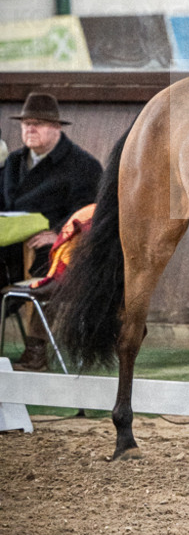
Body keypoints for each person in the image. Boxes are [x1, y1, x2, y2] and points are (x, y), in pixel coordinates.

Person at [0, 92, 103, 370]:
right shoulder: (12, 163)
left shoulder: (84, 166)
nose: (30, 128)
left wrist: (57, 233)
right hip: (9, 249)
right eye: (26, 123)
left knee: (50, 264)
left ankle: (37, 350)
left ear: (56, 127)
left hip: (60, 250)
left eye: (38, 123)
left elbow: (89, 215)